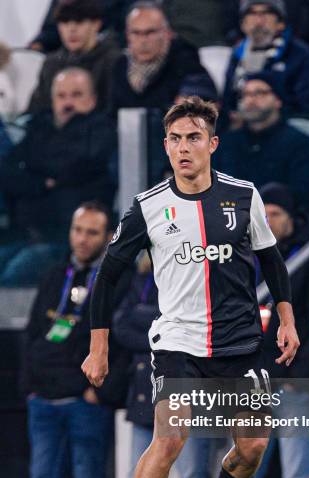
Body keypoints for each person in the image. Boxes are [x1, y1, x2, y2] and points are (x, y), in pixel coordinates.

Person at [81, 95, 299, 478]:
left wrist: (286, 319)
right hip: (178, 341)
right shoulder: (148, 207)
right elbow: (108, 277)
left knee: (253, 445)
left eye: (194, 138)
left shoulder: (243, 196)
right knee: (171, 436)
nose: (184, 147)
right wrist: (98, 348)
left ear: (213, 144)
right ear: (165, 146)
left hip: (240, 343)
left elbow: (272, 261)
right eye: (176, 139)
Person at [24, 202, 131, 478]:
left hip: (85, 401)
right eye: (77, 230)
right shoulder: (55, 275)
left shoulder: (117, 280)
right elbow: (33, 333)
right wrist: (29, 387)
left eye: (92, 232)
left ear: (109, 236)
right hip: (43, 400)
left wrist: (101, 394)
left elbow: (124, 341)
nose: (82, 240)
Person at [112, 253, 216, 478]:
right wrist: (166, 333)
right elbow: (121, 326)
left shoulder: (198, 279)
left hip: (190, 395)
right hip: (146, 396)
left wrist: (151, 323)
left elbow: (197, 329)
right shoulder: (141, 279)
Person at [250, 182, 309, 478]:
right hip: (256, 387)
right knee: (243, 475)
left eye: (275, 214)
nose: (267, 221)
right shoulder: (251, 257)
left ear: (292, 217)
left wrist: (301, 377)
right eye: (262, 215)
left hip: (296, 386)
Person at [0, 67, 116, 286]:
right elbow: (6, 172)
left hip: (64, 239)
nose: (68, 102)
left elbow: (74, 167)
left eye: (76, 95)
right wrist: (44, 182)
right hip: (24, 234)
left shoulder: (100, 130)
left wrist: (33, 174)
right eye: (61, 96)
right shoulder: (39, 128)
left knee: (11, 278)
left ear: (92, 100)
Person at [216, 73, 309, 212]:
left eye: (259, 93)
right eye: (245, 95)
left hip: (276, 220)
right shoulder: (227, 142)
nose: (250, 100)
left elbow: (303, 195)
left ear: (278, 100)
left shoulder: (300, 143)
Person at [109, 1, 217, 116]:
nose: (143, 41)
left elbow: (204, 100)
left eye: (150, 32)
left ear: (167, 33)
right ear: (127, 35)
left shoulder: (185, 62)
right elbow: (110, 115)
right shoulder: (120, 66)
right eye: (136, 33)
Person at [223, 0, 309, 117]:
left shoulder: (300, 54)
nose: (259, 21)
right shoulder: (236, 56)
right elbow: (228, 102)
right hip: (243, 127)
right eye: (251, 13)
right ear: (243, 24)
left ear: (281, 23)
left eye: (267, 13)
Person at [28, 0, 120, 114]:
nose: (71, 30)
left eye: (79, 22)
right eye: (65, 22)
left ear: (96, 24)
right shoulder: (51, 63)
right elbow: (36, 110)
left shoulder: (114, 62)